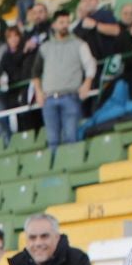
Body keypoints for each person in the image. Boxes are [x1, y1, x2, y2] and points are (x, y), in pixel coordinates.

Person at [30, 10, 96, 157]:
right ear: (54, 25)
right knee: (52, 140)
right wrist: (38, 91)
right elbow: (35, 72)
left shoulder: (79, 44)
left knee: (71, 136)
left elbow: (90, 65)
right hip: (49, 98)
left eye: (67, 22)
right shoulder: (45, 47)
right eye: (61, 22)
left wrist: (87, 83)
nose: (65, 25)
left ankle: (72, 165)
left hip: (70, 95)